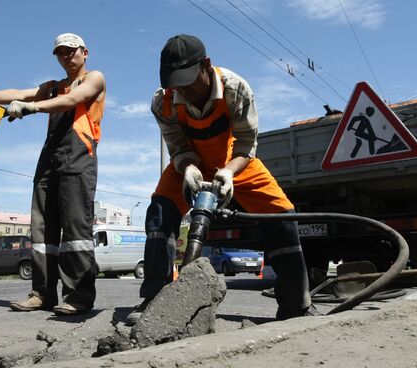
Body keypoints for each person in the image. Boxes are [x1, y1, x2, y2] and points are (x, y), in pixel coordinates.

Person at [126, 34, 315, 325]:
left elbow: (246, 145)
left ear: (206, 65)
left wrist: (227, 172)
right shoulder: (162, 101)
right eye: (177, 84)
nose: (183, 91)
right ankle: (156, 302)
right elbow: (177, 146)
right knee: (159, 211)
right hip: (190, 162)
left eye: (189, 82)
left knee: (281, 212)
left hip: (233, 159)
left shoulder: (235, 88)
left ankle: (295, 305)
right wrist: (188, 168)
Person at [0, 33, 106, 316]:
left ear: (85, 52)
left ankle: (79, 296)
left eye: (71, 51)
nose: (66, 56)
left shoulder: (93, 78)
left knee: (75, 230)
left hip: (79, 158)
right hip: (49, 159)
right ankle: (42, 294)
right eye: (60, 52)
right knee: (42, 230)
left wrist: (32, 108)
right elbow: (17, 93)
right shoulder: (54, 87)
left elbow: (73, 100)